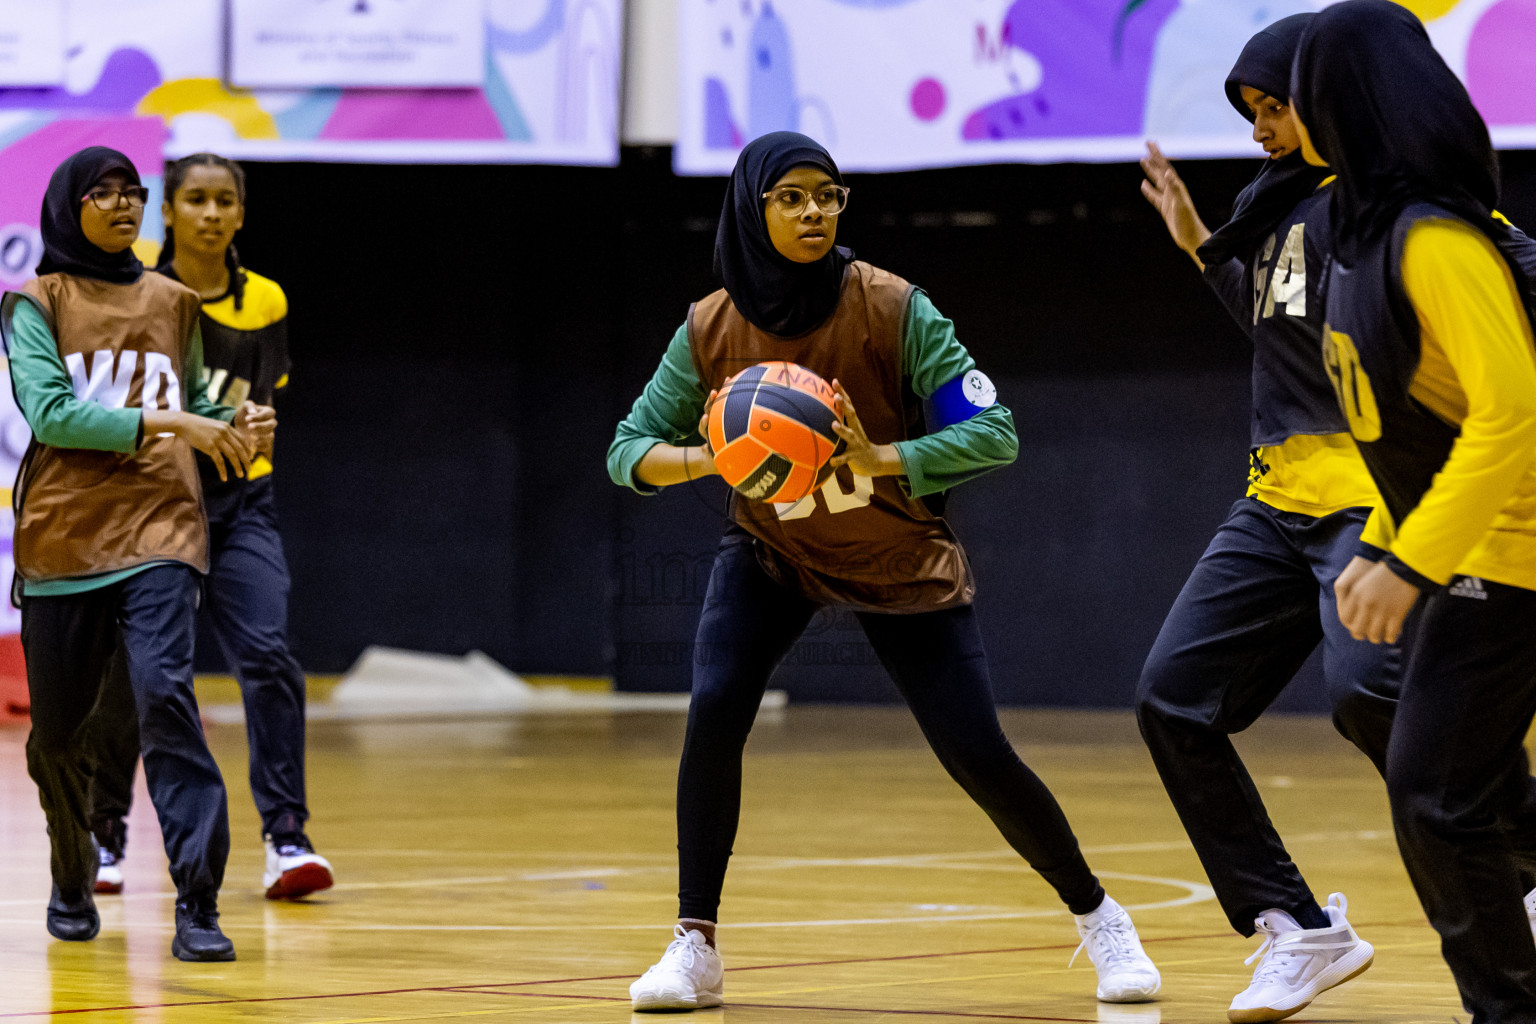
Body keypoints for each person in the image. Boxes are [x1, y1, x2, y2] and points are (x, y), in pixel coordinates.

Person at [608, 131, 1161, 1013]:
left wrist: (879, 458)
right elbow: (626, 453)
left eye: (828, 194)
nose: (815, 211)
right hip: (773, 551)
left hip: (896, 557)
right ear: (753, 210)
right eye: (791, 197)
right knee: (713, 713)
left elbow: (996, 434)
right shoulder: (708, 326)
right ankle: (694, 944)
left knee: (976, 751)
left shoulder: (894, 307)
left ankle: (1100, 918)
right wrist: (714, 457)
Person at [1133, 16, 1387, 1021]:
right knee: (1171, 700)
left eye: (1273, 107)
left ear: (1324, 99)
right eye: (1251, 112)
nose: (1258, 129)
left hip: (1371, 500)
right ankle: (1299, 926)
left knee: (1376, 702)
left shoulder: (1389, 203)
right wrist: (1203, 247)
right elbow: (1278, 331)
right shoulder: (1269, 206)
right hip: (1275, 504)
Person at [1292, 3, 1536, 1021]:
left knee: (1437, 793)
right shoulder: (1363, 235)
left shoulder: (1437, 241)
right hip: (1476, 551)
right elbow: (1416, 430)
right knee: (1440, 787)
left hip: (1510, 552)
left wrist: (1410, 560)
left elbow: (1512, 414)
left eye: (1297, 91)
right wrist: (1389, 538)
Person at [0, 146, 273, 961]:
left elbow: (193, 405)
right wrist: (178, 424)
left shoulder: (175, 300)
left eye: (133, 192)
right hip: (63, 535)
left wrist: (236, 430)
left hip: (161, 526)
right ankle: (73, 867)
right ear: (67, 205)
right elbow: (52, 416)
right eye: (104, 193)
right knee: (57, 738)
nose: (124, 205)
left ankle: (197, 902)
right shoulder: (33, 302)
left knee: (166, 702)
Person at [83, 152, 334, 902]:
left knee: (268, 655)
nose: (212, 213)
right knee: (134, 677)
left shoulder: (265, 303)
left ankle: (287, 838)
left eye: (225, 200)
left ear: (241, 213)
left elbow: (259, 406)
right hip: (150, 508)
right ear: (170, 211)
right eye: (196, 199)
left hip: (240, 505)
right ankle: (105, 833)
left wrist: (256, 424)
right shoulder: (136, 293)